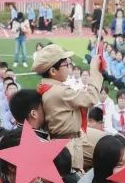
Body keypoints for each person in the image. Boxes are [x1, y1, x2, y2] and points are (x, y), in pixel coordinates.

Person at [36, 43, 102, 171]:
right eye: (66, 65)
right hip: (69, 145)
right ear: (53, 71)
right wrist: (94, 71)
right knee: (73, 178)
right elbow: (91, 97)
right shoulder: (59, 92)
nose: (69, 68)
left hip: (65, 141)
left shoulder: (47, 88)